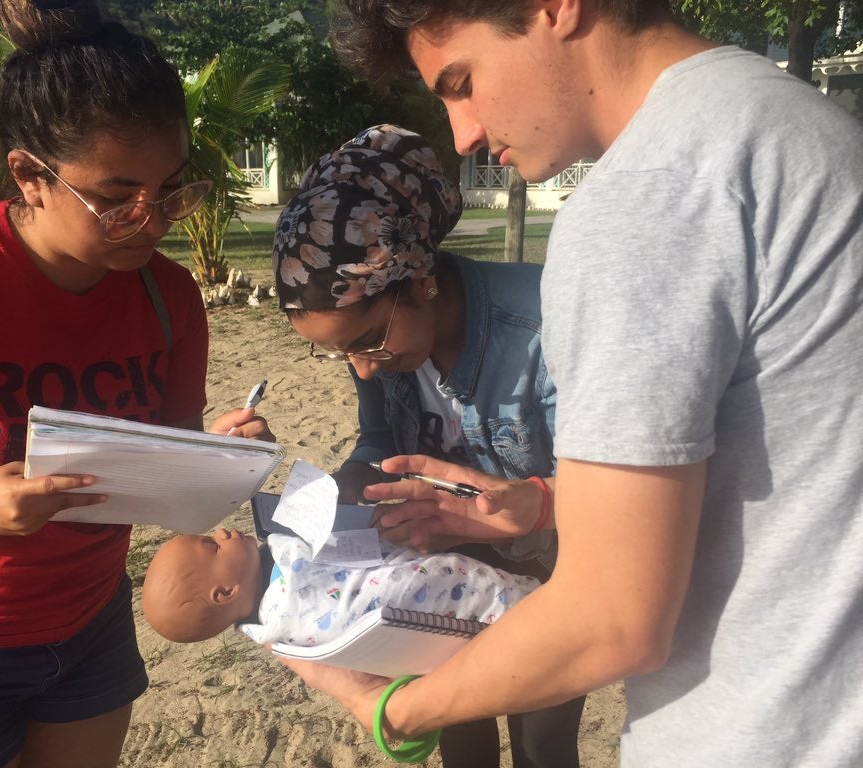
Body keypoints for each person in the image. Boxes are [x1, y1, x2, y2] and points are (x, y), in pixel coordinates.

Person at [278, 2, 863, 767]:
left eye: (462, 81)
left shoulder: (645, 198)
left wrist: (391, 708)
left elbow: (611, 616)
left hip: (760, 729)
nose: (463, 135)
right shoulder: (800, 127)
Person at [0, 2, 269, 767]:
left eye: (171, 188)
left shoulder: (166, 298)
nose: (152, 219)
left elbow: (154, 466)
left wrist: (214, 456)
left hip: (88, 635)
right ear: (29, 176)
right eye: (116, 197)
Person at [272, 123, 586, 768]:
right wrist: (346, 490)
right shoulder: (380, 341)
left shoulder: (549, 329)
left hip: (552, 572)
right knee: (459, 731)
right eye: (339, 354)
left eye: (368, 342)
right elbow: (377, 441)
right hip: (441, 579)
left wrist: (534, 500)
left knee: (544, 744)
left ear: (419, 281)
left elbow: (621, 490)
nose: (361, 368)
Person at [141, 527, 541, 645]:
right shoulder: (290, 575)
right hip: (454, 594)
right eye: (212, 545)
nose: (223, 531)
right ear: (225, 592)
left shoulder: (272, 627)